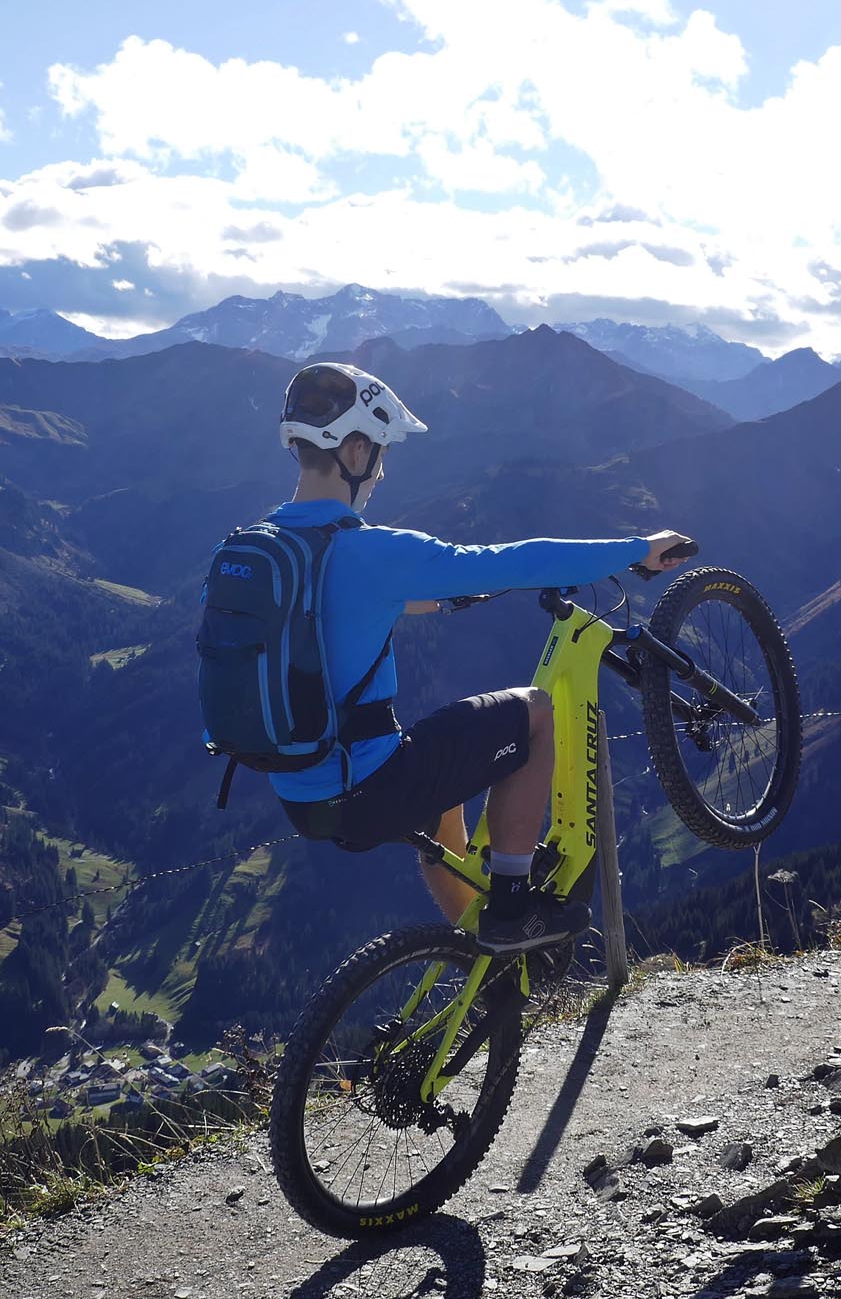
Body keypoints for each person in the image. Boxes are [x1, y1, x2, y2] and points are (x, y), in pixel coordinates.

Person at [269, 361, 688, 953]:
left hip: (299, 792)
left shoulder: (256, 550)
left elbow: (327, 616)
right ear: (354, 450)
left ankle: (479, 955)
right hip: (369, 787)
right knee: (536, 711)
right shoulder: (372, 550)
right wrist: (638, 549)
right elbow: (521, 558)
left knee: (446, 811)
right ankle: (513, 912)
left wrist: (427, 605)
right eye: (380, 453)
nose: (382, 471)